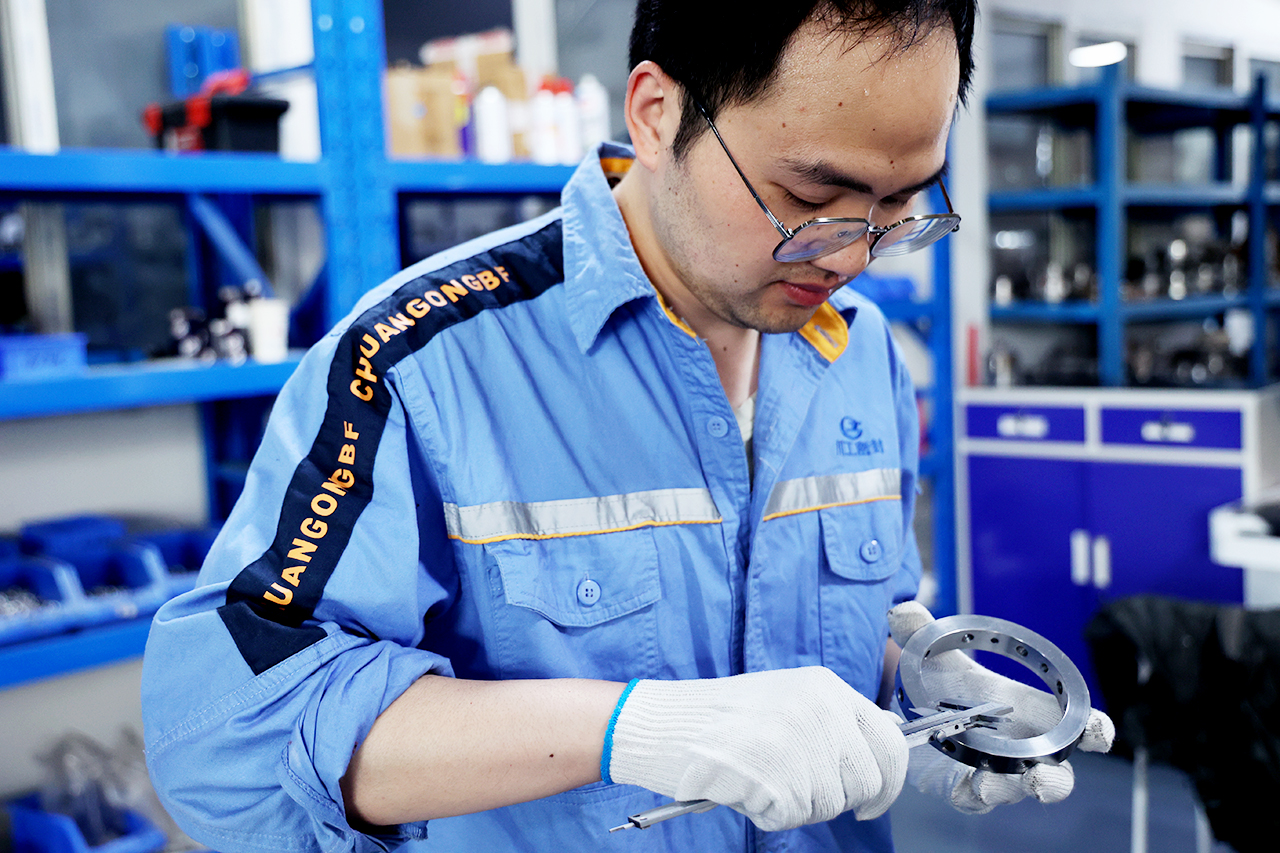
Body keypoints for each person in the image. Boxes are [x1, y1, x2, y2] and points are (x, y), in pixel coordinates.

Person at [141, 2, 1112, 851]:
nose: (853, 257)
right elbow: (221, 742)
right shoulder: (420, 366)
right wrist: (628, 730)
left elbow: (864, 615)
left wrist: (922, 688)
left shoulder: (859, 353)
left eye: (898, 202)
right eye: (811, 199)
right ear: (655, 114)